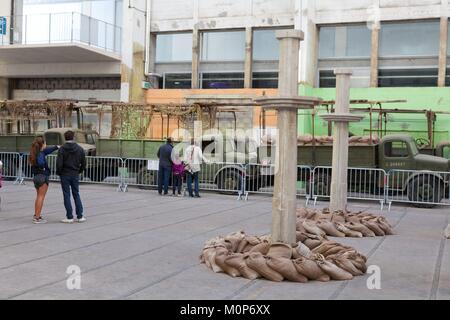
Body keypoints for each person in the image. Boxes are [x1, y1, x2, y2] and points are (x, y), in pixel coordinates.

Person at [56, 130, 86, 223]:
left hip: (65, 174)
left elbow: (59, 163)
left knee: (66, 195)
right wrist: (79, 171)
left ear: (65, 138)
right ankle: (80, 216)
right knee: (76, 194)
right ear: (73, 137)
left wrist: (59, 172)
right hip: (75, 173)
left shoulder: (62, 149)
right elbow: (84, 163)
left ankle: (69, 217)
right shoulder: (80, 149)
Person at [29, 137, 59, 224]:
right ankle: (37, 218)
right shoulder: (41, 154)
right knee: (41, 197)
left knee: (39, 196)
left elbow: (48, 150)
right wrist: (44, 168)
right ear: (42, 144)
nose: (46, 145)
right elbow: (41, 162)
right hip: (42, 177)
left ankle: (36, 215)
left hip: (36, 177)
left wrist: (57, 147)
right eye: (45, 143)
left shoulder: (36, 152)